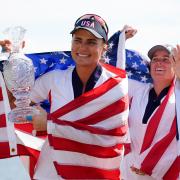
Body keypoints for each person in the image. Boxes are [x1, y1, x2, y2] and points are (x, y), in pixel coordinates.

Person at [30, 14, 129, 179]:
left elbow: (107, 137)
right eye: (77, 40)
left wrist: (50, 124)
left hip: (94, 173)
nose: (82, 47)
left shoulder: (116, 86)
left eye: (91, 42)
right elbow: (18, 104)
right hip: (51, 172)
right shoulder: (54, 78)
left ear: (104, 46)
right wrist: (10, 57)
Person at [119, 42, 180, 180]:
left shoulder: (177, 97)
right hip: (128, 173)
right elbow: (115, 75)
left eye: (166, 59)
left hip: (163, 175)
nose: (159, 63)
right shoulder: (138, 90)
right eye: (155, 59)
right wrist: (121, 38)